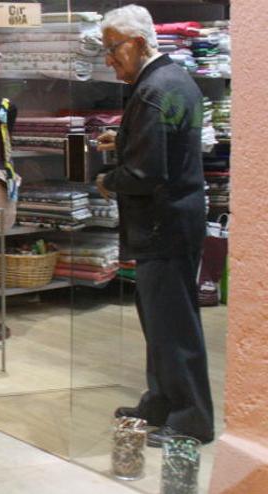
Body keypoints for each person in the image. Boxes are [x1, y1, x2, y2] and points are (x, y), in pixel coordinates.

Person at [95, 5, 214, 447]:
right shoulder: (175, 80)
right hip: (176, 222)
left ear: (140, 43)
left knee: (173, 325)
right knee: (163, 322)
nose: (109, 59)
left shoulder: (150, 92)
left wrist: (108, 180)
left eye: (112, 49)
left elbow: (146, 174)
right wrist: (124, 139)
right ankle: (162, 402)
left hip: (163, 226)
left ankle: (190, 419)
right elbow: (171, 144)